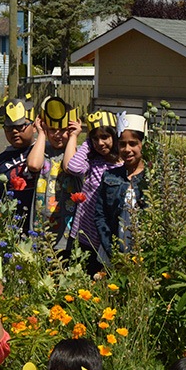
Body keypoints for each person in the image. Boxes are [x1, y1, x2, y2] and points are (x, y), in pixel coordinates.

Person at [64, 110, 122, 275]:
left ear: (115, 136)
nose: (100, 143)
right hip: (84, 231)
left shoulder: (120, 165)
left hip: (105, 234)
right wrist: (87, 143)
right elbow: (73, 167)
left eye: (105, 137)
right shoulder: (93, 162)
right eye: (95, 138)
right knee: (82, 272)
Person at [26, 96, 82, 252]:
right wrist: (42, 135)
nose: (57, 134)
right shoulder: (42, 149)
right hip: (40, 228)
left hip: (65, 231)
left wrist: (73, 137)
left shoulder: (76, 152)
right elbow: (33, 164)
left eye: (63, 130)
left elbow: (70, 166)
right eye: (52, 129)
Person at [95, 112, 147, 261]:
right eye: (122, 144)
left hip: (143, 253)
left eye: (133, 143)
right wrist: (111, 249)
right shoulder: (110, 177)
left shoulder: (151, 178)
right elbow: (100, 215)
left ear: (143, 144)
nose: (127, 149)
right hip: (113, 252)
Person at [0, 96, 36, 232]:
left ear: (34, 127)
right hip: (12, 227)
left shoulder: (43, 152)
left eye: (20, 126)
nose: (14, 131)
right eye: (9, 128)